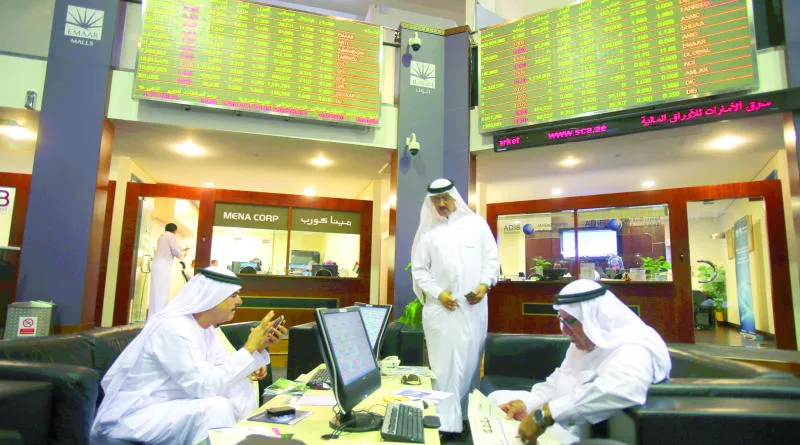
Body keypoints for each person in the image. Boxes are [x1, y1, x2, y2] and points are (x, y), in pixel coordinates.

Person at [91, 266, 287, 445]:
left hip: (174, 403)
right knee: (216, 408)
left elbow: (221, 368)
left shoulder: (205, 329)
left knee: (240, 387)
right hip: (137, 414)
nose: (239, 301)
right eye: (233, 295)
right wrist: (248, 349)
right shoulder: (174, 328)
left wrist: (257, 349)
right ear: (213, 297)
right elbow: (203, 386)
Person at [489, 279, 671, 444]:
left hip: (582, 428)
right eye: (562, 321)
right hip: (560, 417)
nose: (564, 331)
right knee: (497, 399)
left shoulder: (632, 347)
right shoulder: (585, 343)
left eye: (571, 322)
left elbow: (620, 388)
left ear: (594, 319)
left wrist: (546, 415)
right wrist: (527, 405)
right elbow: (559, 381)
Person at [411, 178, 500, 440]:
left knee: (470, 363)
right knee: (443, 367)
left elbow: (492, 260)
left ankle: (464, 418)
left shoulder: (477, 225)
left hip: (473, 309)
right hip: (441, 310)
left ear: (455, 198)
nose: (441, 203)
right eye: (436, 200)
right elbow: (419, 271)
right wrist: (439, 293)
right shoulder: (427, 233)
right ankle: (443, 423)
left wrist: (484, 284)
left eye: (445, 198)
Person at [149, 222, 189, 317]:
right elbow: (175, 250)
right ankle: (160, 314)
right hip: (163, 266)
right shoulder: (171, 236)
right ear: (175, 231)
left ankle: (153, 314)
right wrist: (183, 255)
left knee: (155, 290)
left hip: (156, 265)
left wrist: (184, 248)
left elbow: (176, 246)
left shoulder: (162, 236)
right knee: (163, 290)